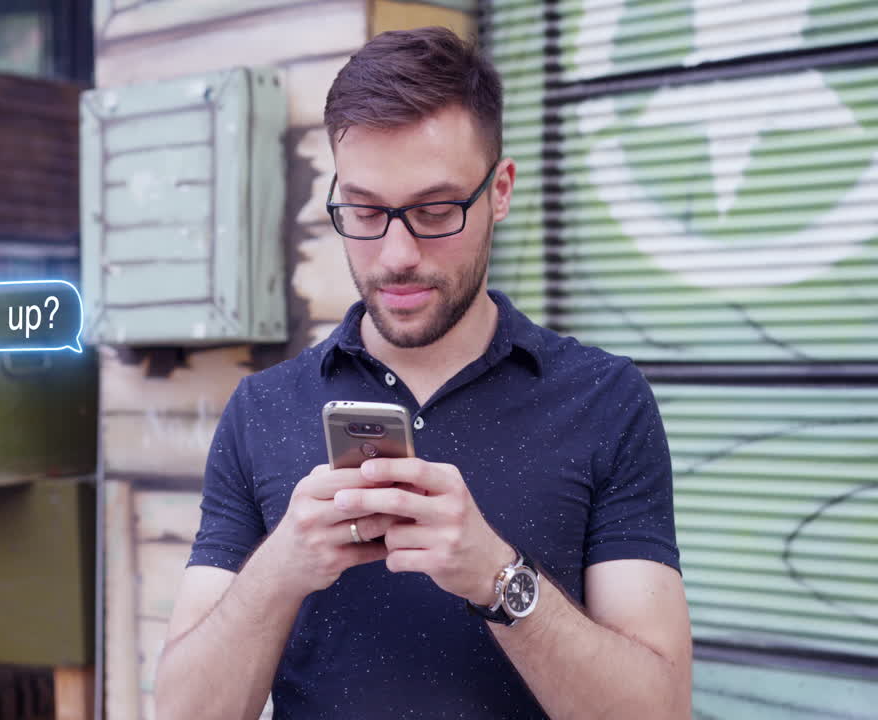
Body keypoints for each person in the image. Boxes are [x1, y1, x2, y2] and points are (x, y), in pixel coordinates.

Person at [155, 26, 691, 720]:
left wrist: (498, 579)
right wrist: (282, 567)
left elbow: (660, 711)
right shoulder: (262, 409)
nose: (397, 252)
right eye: (366, 211)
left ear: (499, 191)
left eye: (436, 210)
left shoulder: (604, 399)